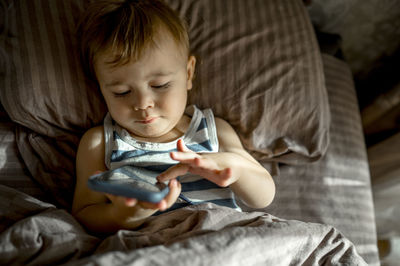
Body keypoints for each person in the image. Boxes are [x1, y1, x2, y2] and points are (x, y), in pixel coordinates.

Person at [72, 0, 275, 234]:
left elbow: (264, 196)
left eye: (160, 85)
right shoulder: (98, 143)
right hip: (157, 244)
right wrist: (123, 216)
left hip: (222, 237)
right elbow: (84, 214)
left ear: (188, 73)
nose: (142, 103)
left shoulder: (214, 131)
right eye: (122, 92)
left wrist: (233, 167)